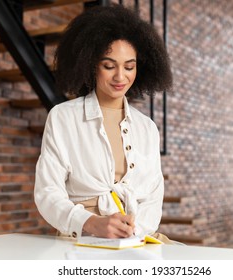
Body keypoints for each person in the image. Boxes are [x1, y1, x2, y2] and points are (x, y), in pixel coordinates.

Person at [34, 4, 173, 242]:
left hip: (135, 239)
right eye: (109, 66)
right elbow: (48, 193)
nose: (121, 77)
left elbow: (153, 195)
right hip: (82, 238)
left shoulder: (147, 127)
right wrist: (92, 223)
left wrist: (134, 232)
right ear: (90, 64)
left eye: (129, 66)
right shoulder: (63, 117)